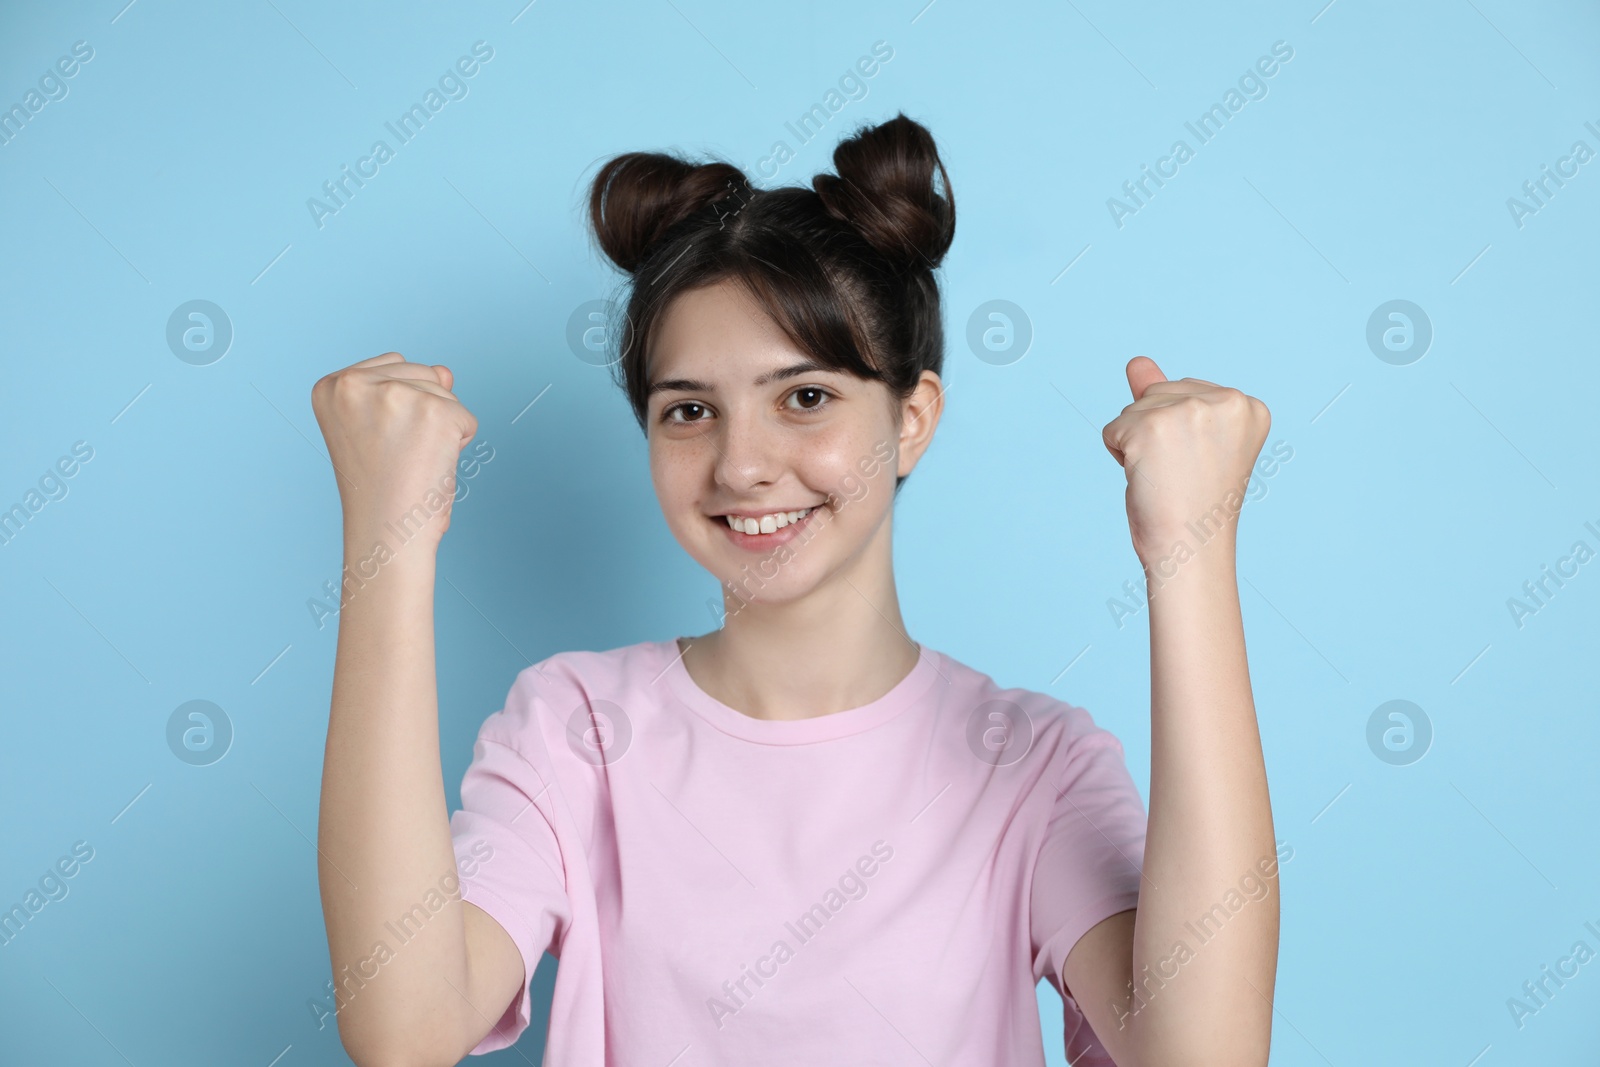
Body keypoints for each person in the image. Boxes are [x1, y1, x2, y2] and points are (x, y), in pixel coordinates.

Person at [310, 112, 1280, 1066]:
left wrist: (1188, 554)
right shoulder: (576, 730)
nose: (741, 465)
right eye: (688, 410)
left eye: (803, 397)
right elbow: (405, 1025)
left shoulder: (1031, 764)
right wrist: (388, 539)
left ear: (911, 417)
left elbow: (1204, 1049)